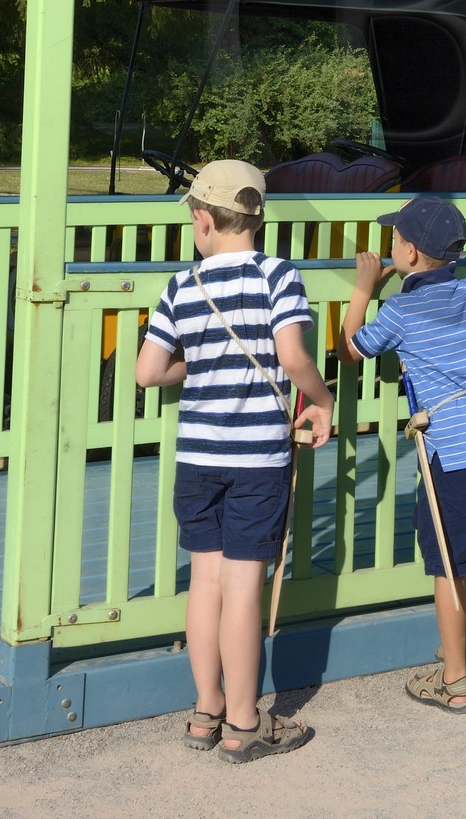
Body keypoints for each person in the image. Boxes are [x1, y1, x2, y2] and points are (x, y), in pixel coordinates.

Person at [136, 159, 334, 761]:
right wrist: (321, 398)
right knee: (245, 586)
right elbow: (292, 355)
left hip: (198, 454)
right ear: (258, 216)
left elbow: (148, 372)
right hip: (256, 458)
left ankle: (206, 711)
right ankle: (246, 722)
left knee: (206, 582)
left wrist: (198, 362)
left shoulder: (182, 285)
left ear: (201, 220)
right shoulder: (278, 274)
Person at [337, 195, 466, 715]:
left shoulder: (401, 310)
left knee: (442, 559)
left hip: (451, 446)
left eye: (395, 242)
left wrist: (363, 288)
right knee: (461, 545)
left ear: (410, 253)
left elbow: (351, 349)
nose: (389, 248)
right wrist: (408, 276)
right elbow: (437, 299)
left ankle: (456, 679)